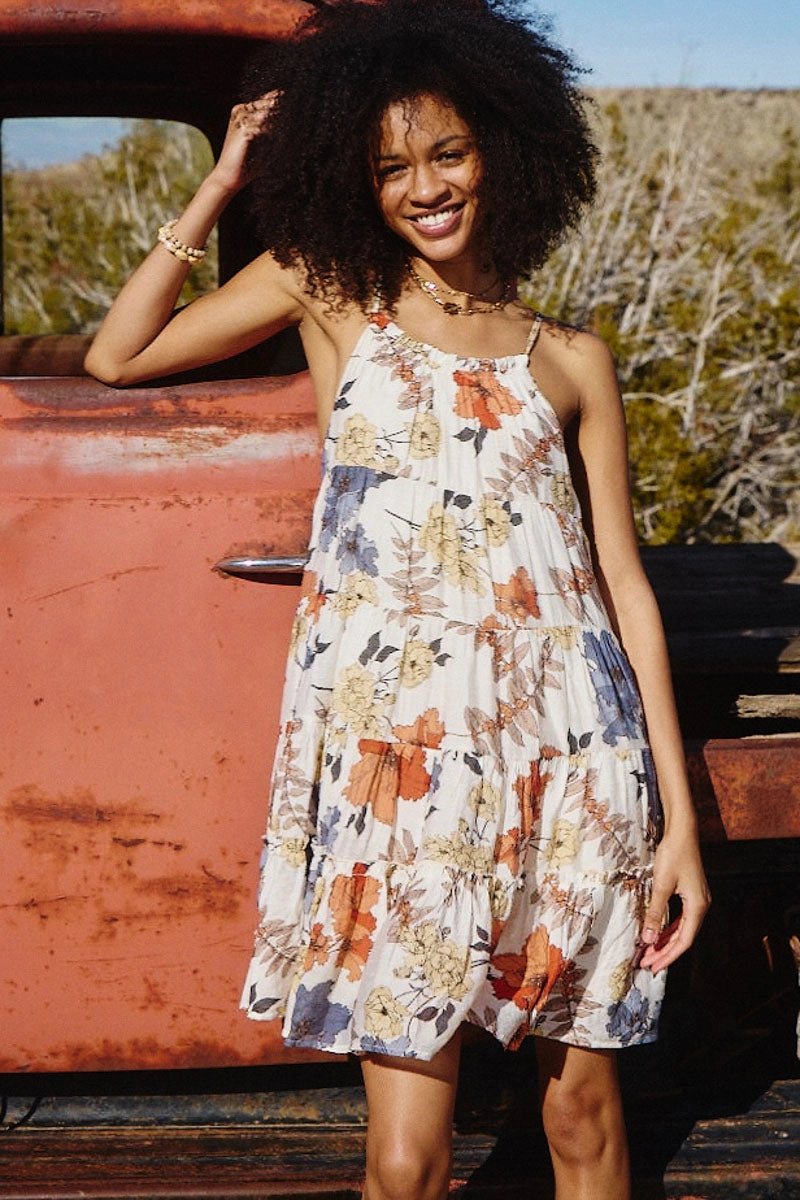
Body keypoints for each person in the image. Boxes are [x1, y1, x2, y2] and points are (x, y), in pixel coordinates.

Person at [86, 3, 711, 1197]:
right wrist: (220, 186)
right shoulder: (328, 291)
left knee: (580, 1116)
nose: (423, 187)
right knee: (404, 1162)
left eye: (447, 153)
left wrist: (675, 823)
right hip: (404, 775)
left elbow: (621, 589)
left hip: (569, 765)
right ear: (350, 180)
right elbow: (121, 357)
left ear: (503, 151)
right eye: (387, 167)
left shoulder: (569, 358)